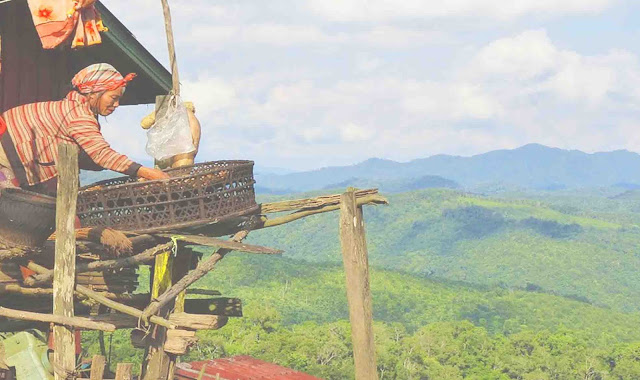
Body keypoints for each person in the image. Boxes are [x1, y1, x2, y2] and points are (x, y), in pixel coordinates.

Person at [0, 63, 169, 195]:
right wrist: (147, 172)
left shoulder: (73, 109)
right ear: (93, 93)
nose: (116, 104)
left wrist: (111, 166)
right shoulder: (78, 114)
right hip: (5, 154)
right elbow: (101, 154)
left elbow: (92, 156)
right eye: (113, 97)